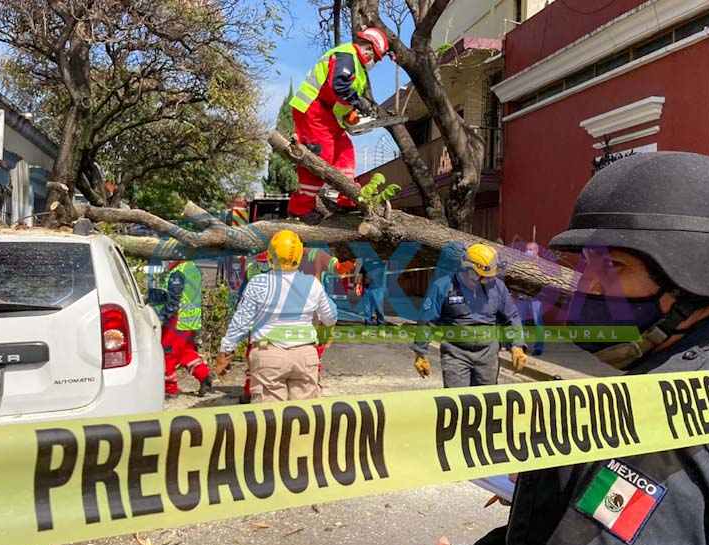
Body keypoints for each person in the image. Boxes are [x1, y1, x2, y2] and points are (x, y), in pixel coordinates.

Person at [421, 152, 709, 545]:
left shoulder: (660, 429)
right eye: (588, 264)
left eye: (613, 265)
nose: (589, 285)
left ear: (696, 278)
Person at [215, 230, 337, 402]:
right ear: (299, 256)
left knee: (270, 415)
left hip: (269, 356)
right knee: (304, 414)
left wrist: (226, 350)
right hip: (305, 356)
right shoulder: (313, 284)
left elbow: (241, 322)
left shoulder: (258, 283)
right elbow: (330, 317)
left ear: (271, 255)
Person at [287, 27, 391, 224]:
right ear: (368, 49)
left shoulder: (357, 68)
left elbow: (342, 99)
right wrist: (359, 103)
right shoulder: (346, 56)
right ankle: (300, 207)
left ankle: (347, 197)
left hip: (328, 114)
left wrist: (352, 114)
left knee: (345, 151)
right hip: (312, 108)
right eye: (376, 58)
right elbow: (339, 86)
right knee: (320, 156)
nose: (374, 62)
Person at [411, 242, 527, 388]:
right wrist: (420, 353)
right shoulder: (443, 286)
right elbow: (427, 320)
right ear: (468, 269)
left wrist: (517, 345)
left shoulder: (497, 287)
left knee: (487, 397)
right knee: (458, 398)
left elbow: (511, 317)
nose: (487, 281)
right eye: (482, 277)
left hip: (488, 354)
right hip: (456, 354)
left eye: (489, 277)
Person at [154, 260, 212, 398]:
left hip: (176, 320)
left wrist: (161, 317)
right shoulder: (192, 268)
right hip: (190, 320)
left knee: (167, 353)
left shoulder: (178, 272)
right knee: (185, 352)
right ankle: (204, 376)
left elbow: (173, 300)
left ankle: (169, 388)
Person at [517, 242, 546, 356]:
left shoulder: (542, 264)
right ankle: (521, 345)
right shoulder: (522, 264)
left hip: (536, 298)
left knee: (538, 322)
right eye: (527, 249)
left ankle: (538, 347)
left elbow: (545, 281)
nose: (528, 252)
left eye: (531, 249)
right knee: (520, 322)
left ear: (537, 251)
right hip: (522, 297)